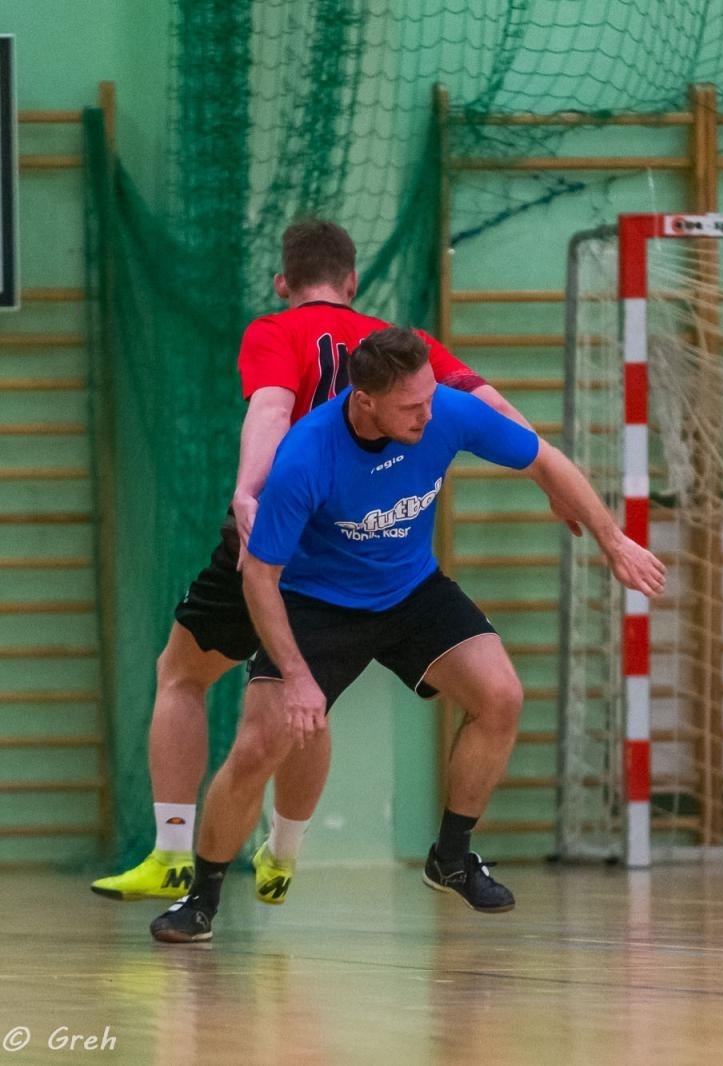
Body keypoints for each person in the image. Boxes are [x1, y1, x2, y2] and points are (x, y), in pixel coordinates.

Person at [151, 326, 664, 943]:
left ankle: (451, 855)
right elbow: (260, 577)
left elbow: (544, 457)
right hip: (318, 605)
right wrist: (298, 676)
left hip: (410, 591)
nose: (427, 414)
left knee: (500, 697)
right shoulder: (307, 456)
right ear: (365, 401)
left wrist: (614, 541)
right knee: (260, 746)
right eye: (411, 407)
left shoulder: (444, 410)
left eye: (428, 400)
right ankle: (200, 899)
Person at [92, 219, 534, 905]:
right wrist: (547, 467)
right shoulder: (396, 346)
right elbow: (491, 406)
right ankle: (285, 851)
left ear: (283, 282)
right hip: (350, 549)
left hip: (274, 538)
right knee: (310, 701)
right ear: (352, 282)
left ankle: (175, 855)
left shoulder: (274, 330)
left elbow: (270, 410)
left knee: (181, 675)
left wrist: (247, 489)